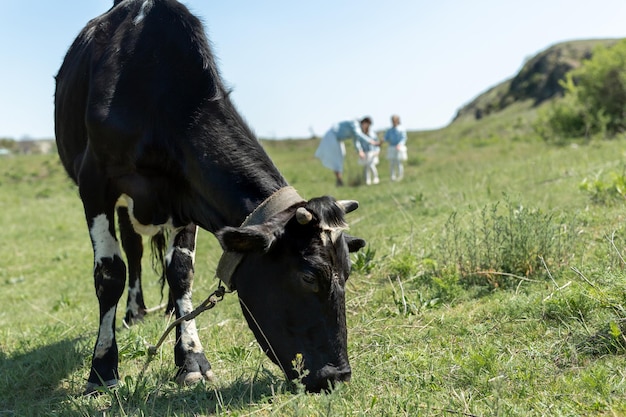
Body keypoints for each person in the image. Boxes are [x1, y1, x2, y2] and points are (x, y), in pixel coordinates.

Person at [315, 117, 378, 186]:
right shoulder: (355, 124)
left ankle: (339, 180)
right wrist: (370, 141)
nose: (366, 128)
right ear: (365, 123)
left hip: (338, 139)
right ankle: (339, 180)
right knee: (337, 158)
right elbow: (357, 134)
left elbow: (356, 139)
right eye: (367, 126)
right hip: (333, 136)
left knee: (341, 155)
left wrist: (359, 151)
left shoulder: (357, 128)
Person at [383, 115, 408, 181]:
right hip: (391, 147)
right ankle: (392, 177)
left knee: (399, 162)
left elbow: (404, 138)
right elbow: (386, 137)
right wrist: (382, 140)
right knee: (392, 163)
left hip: (399, 147)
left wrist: (400, 144)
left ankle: (400, 176)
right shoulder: (389, 130)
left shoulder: (401, 129)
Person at [356, 120, 380, 185]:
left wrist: (377, 151)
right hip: (364, 152)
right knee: (366, 166)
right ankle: (367, 180)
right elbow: (358, 143)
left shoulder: (372, 134)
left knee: (371, 165)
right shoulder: (360, 134)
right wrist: (360, 151)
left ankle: (376, 177)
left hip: (371, 152)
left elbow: (376, 143)